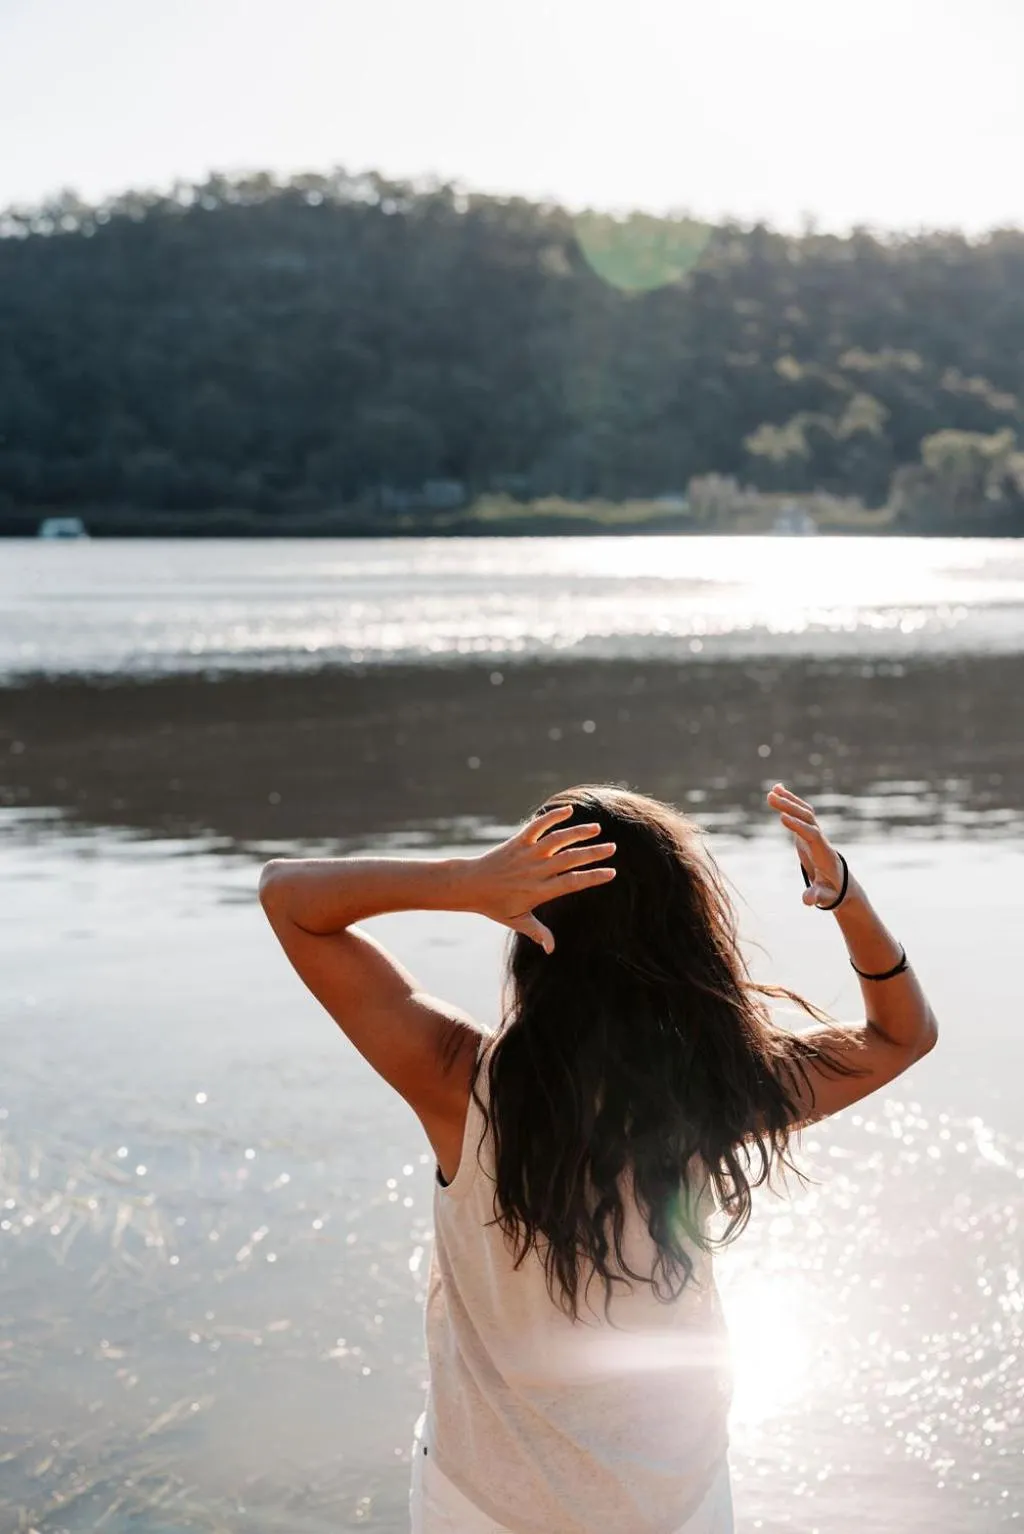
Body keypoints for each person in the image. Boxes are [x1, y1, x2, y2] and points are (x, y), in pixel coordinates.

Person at [258, 781, 938, 1533]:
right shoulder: (720, 1094)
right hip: (673, 1506)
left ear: (529, 930)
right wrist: (844, 897)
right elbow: (900, 1036)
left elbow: (287, 898)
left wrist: (466, 883)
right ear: (688, 935)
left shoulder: (459, 1083)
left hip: (483, 1505)